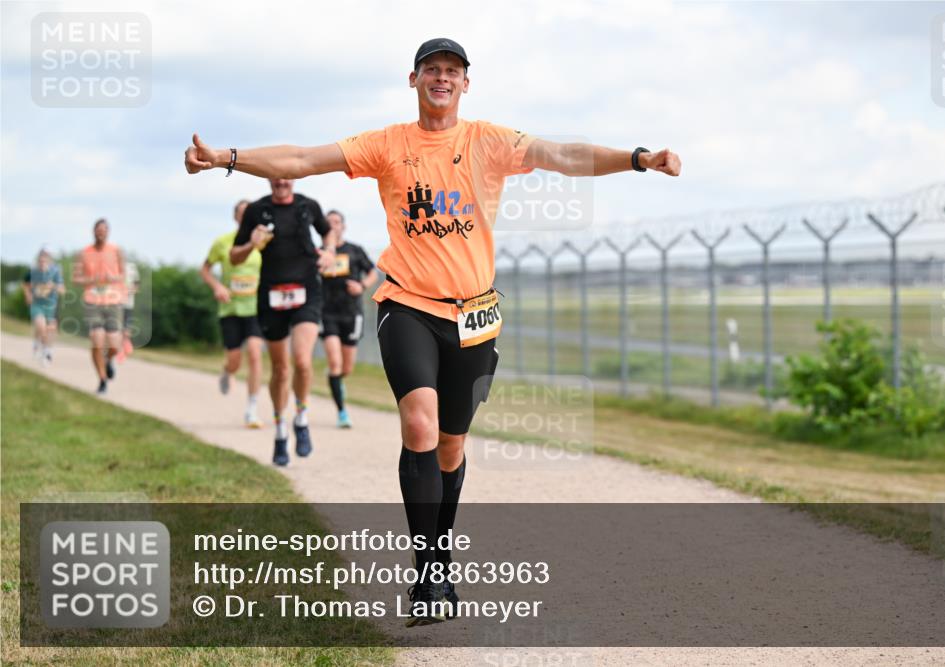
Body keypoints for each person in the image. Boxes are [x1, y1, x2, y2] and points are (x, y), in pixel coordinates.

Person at [184, 37, 681, 625]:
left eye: (453, 71)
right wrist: (228, 158)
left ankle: (440, 553)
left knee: (451, 446)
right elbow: (300, 160)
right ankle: (426, 576)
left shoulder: (490, 140)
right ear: (413, 79)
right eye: (431, 70)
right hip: (408, 305)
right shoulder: (388, 144)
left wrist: (638, 158)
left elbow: (563, 155)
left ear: (466, 84)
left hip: (472, 315)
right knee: (418, 423)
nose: (441, 78)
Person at [230, 179, 335, 465]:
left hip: (307, 292)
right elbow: (235, 257)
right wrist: (251, 244)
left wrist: (329, 252)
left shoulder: (307, 206)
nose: (281, 181)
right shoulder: (256, 210)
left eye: (286, 176)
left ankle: (301, 418)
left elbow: (329, 234)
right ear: (268, 179)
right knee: (280, 368)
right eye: (275, 176)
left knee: (302, 360)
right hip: (271, 295)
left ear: (293, 178)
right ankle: (280, 431)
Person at [200, 199, 264, 428]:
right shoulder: (222, 243)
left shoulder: (264, 242)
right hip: (230, 308)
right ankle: (228, 371)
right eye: (242, 213)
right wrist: (217, 287)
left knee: (256, 355)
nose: (246, 217)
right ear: (236, 217)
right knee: (235, 361)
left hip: (256, 308)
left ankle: (252, 409)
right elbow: (205, 269)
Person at [319, 209, 377, 428]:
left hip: (352, 313)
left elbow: (372, 272)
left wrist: (361, 286)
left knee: (346, 368)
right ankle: (342, 412)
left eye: (337, 222)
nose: (333, 225)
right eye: (328, 222)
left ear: (343, 226)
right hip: (327, 312)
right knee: (335, 363)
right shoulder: (319, 252)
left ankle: (337, 380)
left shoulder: (354, 250)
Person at [74, 219, 126, 395]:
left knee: (114, 345)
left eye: (104, 230)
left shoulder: (116, 251)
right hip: (93, 300)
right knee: (97, 340)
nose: (100, 233)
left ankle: (108, 359)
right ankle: (102, 380)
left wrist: (115, 281)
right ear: (93, 232)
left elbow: (124, 275)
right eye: (98, 230)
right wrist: (93, 280)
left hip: (113, 300)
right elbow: (76, 278)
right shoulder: (84, 253)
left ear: (108, 232)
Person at [22, 246, 65, 366]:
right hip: (37, 304)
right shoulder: (33, 271)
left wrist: (54, 286)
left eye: (45, 259)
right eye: (41, 259)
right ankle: (45, 352)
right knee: (41, 327)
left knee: (49, 330)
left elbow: (62, 290)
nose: (42, 261)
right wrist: (28, 295)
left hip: (51, 306)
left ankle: (43, 347)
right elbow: (25, 284)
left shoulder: (55, 273)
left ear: (49, 260)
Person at [117, 259, 140, 362]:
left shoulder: (131, 267)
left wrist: (130, 291)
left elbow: (136, 285)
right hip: (115, 303)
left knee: (126, 329)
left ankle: (125, 345)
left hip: (128, 304)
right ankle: (120, 351)